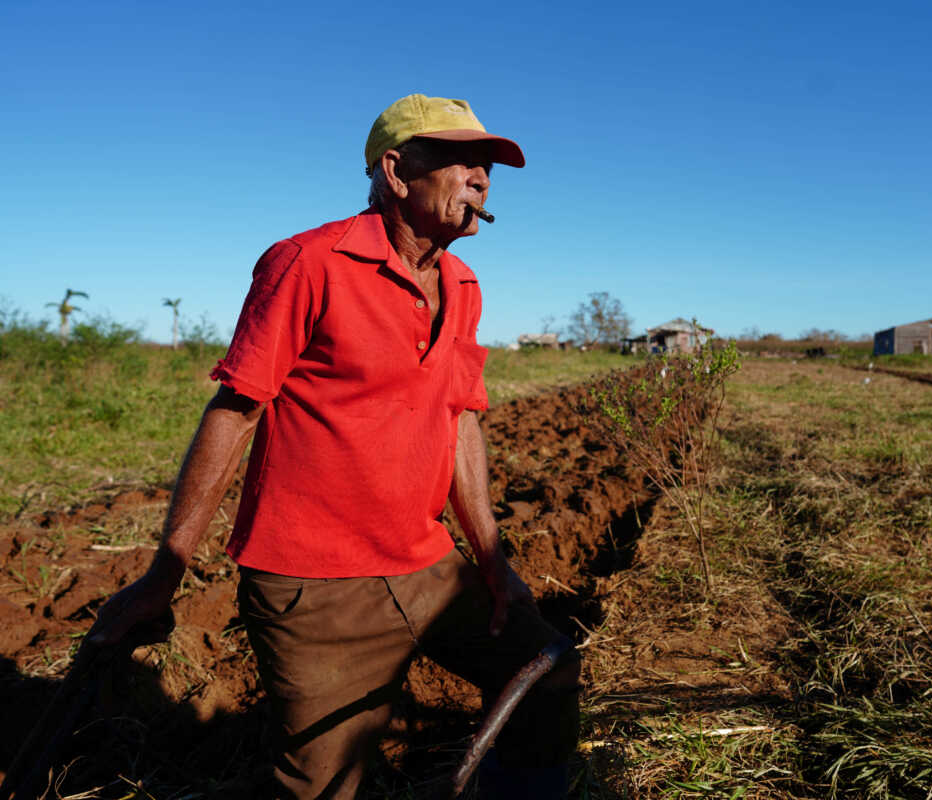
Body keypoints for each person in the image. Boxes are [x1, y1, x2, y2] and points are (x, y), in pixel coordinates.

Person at [88, 93, 580, 799]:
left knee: (546, 673)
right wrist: (165, 571)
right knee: (322, 787)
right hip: (313, 588)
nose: (481, 179)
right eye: (460, 161)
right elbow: (235, 412)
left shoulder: (464, 285)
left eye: (488, 168)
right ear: (396, 170)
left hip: (426, 562)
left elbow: (460, 417)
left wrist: (493, 558)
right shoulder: (308, 262)